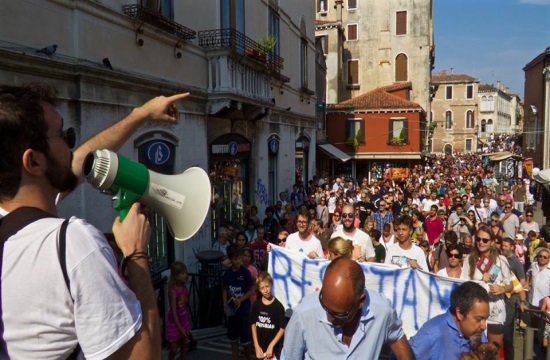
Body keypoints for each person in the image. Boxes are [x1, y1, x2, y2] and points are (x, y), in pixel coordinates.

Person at [0, 83, 188, 358]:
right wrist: (136, 255)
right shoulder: (74, 244)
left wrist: (140, 115)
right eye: (64, 135)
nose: (71, 146)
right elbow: (144, 355)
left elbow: (78, 163)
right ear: (34, 163)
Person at [281, 257, 414, 359]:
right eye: (324, 307)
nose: (328, 318)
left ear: (360, 301)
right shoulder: (303, 314)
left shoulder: (382, 311)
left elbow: (397, 338)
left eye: (338, 314)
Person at [409, 281, 490, 359]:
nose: (484, 326)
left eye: (485, 319)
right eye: (478, 319)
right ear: (459, 313)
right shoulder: (431, 334)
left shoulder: (477, 333)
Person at [461, 225, 512, 347]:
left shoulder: (501, 260)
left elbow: (511, 284)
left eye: (485, 240)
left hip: (496, 311)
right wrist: (479, 279)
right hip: (475, 312)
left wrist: (503, 289)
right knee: (475, 351)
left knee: (493, 351)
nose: (480, 242)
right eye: (478, 239)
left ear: (492, 242)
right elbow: (464, 283)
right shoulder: (469, 259)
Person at [222, 244, 255, 360]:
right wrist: (225, 305)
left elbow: (252, 290)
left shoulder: (245, 273)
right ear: (230, 259)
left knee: (245, 339)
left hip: (244, 310)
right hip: (232, 311)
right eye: (235, 259)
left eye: (240, 258)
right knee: (233, 338)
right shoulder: (227, 273)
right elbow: (224, 289)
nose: (238, 261)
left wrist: (241, 300)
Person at [165, 262, 197, 360]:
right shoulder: (173, 292)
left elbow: (185, 303)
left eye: (185, 273)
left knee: (183, 345)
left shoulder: (184, 288)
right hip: (174, 323)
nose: (185, 275)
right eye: (182, 274)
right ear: (176, 276)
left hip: (183, 320)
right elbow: (174, 311)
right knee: (174, 349)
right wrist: (179, 327)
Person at [250, 272, 286, 360]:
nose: (266, 290)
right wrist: (256, 345)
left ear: (271, 284)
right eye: (262, 288)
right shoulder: (256, 305)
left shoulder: (278, 306)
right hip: (260, 349)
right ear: (258, 289)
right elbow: (253, 324)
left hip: (273, 350)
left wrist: (271, 345)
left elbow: (282, 328)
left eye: (267, 286)